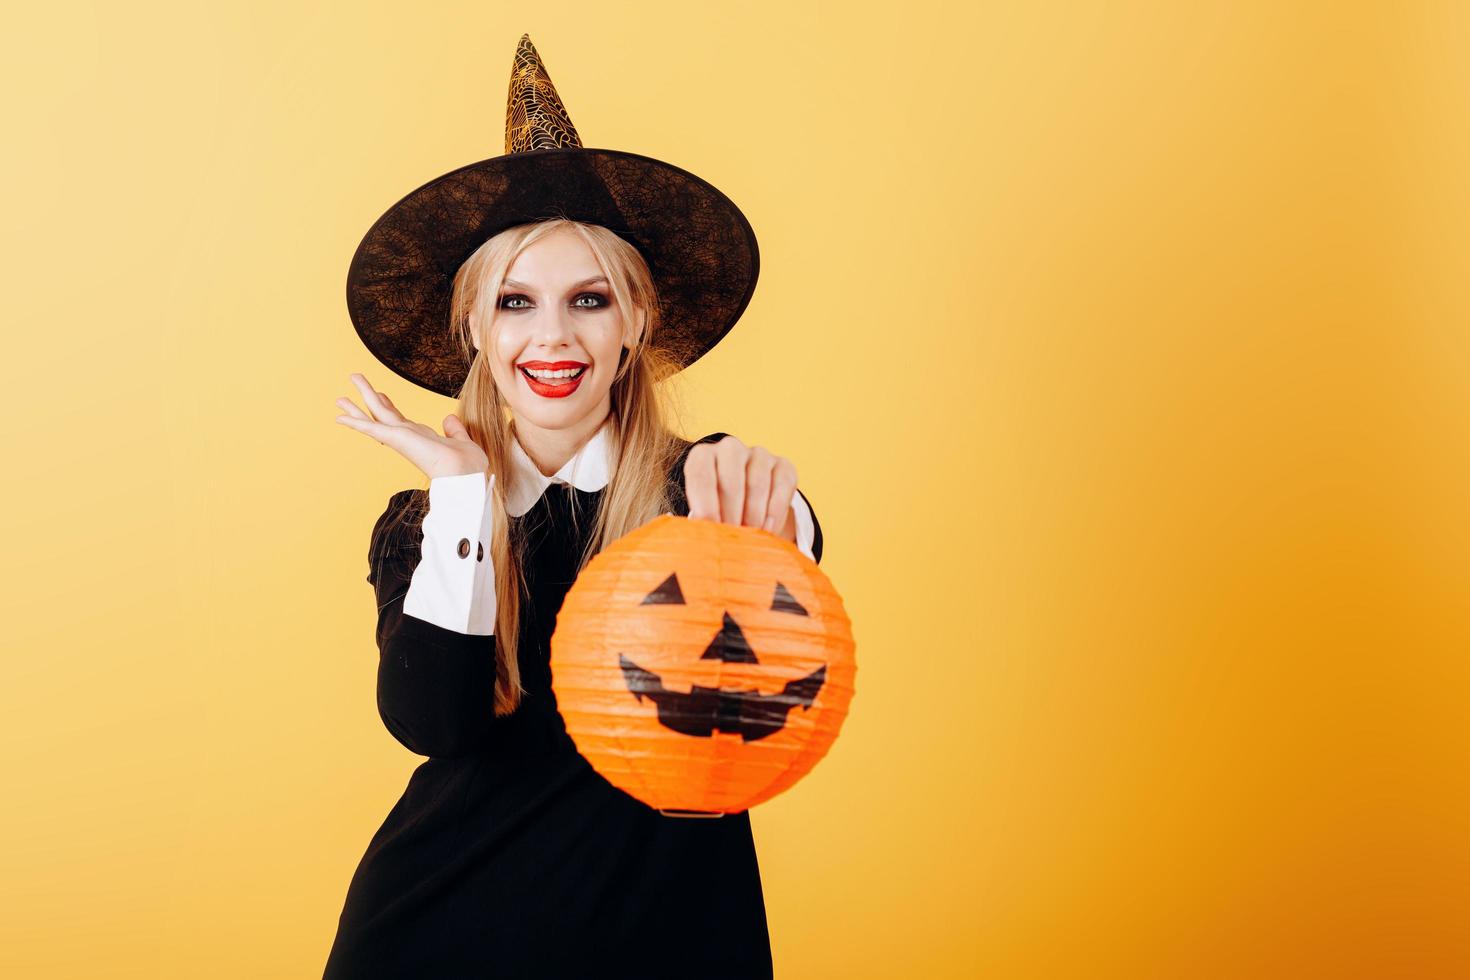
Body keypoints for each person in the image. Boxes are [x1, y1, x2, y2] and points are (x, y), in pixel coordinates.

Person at [322, 36, 823, 979]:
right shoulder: (425, 523)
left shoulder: (700, 489)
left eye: (588, 299)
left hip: (673, 935)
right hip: (438, 930)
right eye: (516, 302)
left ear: (637, 321)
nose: (552, 337)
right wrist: (466, 499)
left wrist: (777, 514)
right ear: (474, 327)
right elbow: (434, 724)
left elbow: (789, 565)